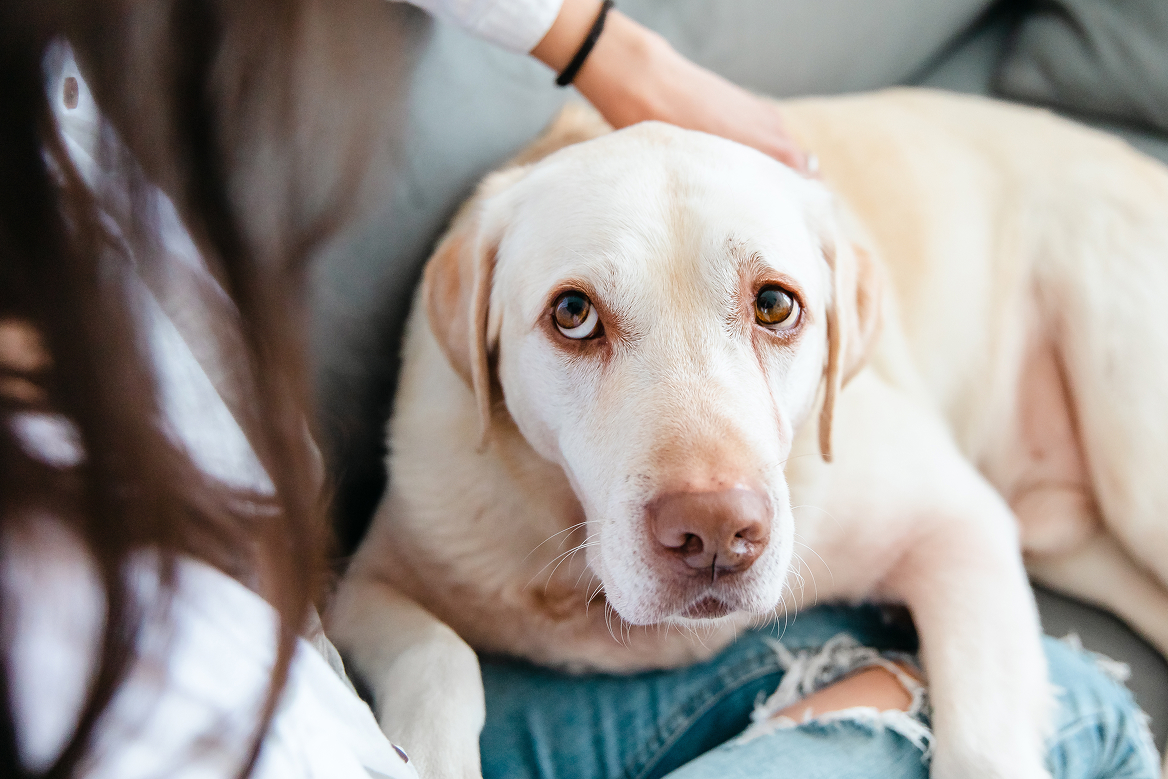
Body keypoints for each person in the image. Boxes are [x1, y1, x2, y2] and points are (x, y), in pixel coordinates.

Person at [0, 1, 1157, 778]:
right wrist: (425, 669)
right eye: (578, 319)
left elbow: (960, 523)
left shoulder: (831, 344)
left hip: (1062, 236)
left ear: (837, 329)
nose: (713, 496)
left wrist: (605, 41)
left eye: (769, 310)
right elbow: (379, 589)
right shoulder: (457, 390)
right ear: (482, 347)